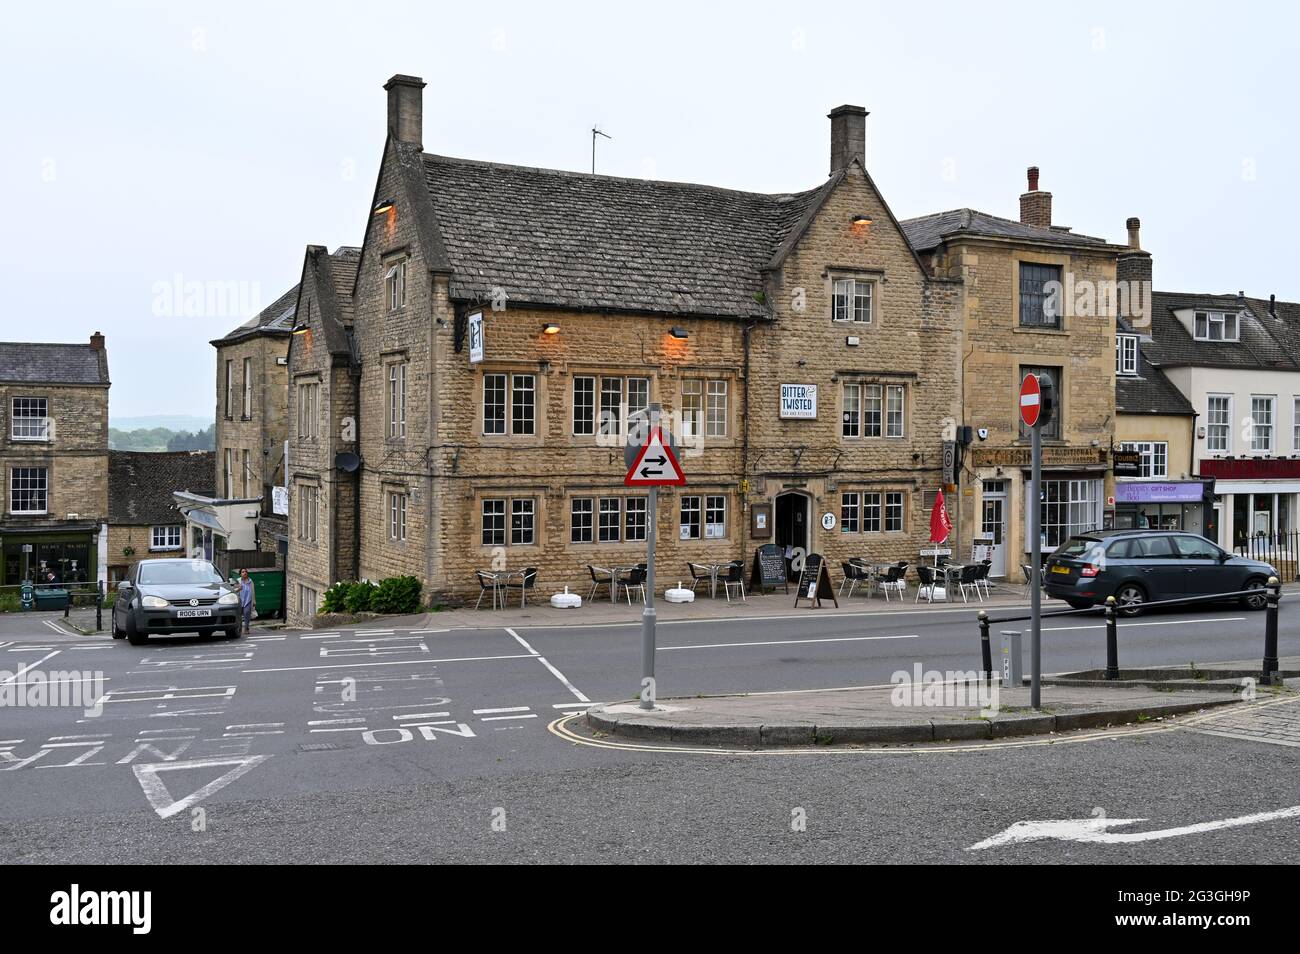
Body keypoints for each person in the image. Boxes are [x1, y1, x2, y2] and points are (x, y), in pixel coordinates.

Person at [237, 568, 256, 634]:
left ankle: (246, 629)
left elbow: (253, 592)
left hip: (248, 601)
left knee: (246, 614)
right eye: (243, 572)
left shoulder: (251, 582)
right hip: (240, 601)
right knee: (239, 616)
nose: (244, 573)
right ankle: (239, 629)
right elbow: (234, 591)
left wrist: (254, 601)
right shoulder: (238, 581)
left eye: (245, 572)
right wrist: (238, 589)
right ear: (240, 574)